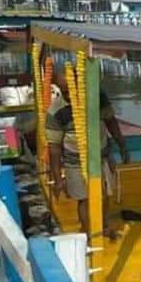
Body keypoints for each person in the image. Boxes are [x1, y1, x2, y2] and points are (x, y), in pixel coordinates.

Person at [47, 75, 130, 236]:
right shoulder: (55, 110)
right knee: (84, 199)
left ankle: (103, 226)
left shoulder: (97, 97)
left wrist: (122, 146)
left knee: (104, 195)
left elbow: (111, 121)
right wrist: (57, 179)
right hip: (74, 161)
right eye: (65, 91)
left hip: (102, 155)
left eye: (73, 90)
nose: (70, 95)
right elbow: (54, 147)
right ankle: (88, 233)